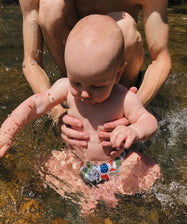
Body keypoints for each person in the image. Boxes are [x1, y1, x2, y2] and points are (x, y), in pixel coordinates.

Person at [0, 16, 160, 199]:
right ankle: (88, 194)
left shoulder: (124, 97)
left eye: (97, 86)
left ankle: (104, 192)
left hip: (117, 161)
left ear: (118, 74)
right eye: (77, 82)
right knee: (46, 165)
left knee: (151, 170)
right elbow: (36, 104)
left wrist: (134, 130)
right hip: (76, 159)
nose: (84, 93)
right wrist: (9, 129)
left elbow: (149, 121)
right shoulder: (65, 87)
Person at [19, 0, 171, 149]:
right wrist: (58, 114)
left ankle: (120, 107)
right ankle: (71, 96)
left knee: (126, 29)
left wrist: (132, 115)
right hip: (72, 82)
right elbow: (31, 62)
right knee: (51, 6)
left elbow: (160, 59)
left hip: (121, 84)